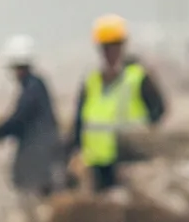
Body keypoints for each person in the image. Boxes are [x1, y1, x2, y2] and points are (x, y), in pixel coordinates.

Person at [68, 14, 168, 192]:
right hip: (97, 163)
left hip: (129, 162)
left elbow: (158, 110)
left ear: (122, 47)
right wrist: (76, 151)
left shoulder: (138, 77)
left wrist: (141, 136)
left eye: (114, 46)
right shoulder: (92, 81)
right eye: (106, 48)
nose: (110, 52)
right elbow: (79, 121)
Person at [0, 34, 65, 198]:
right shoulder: (34, 85)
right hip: (42, 158)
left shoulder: (32, 88)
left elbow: (19, 119)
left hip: (38, 160)